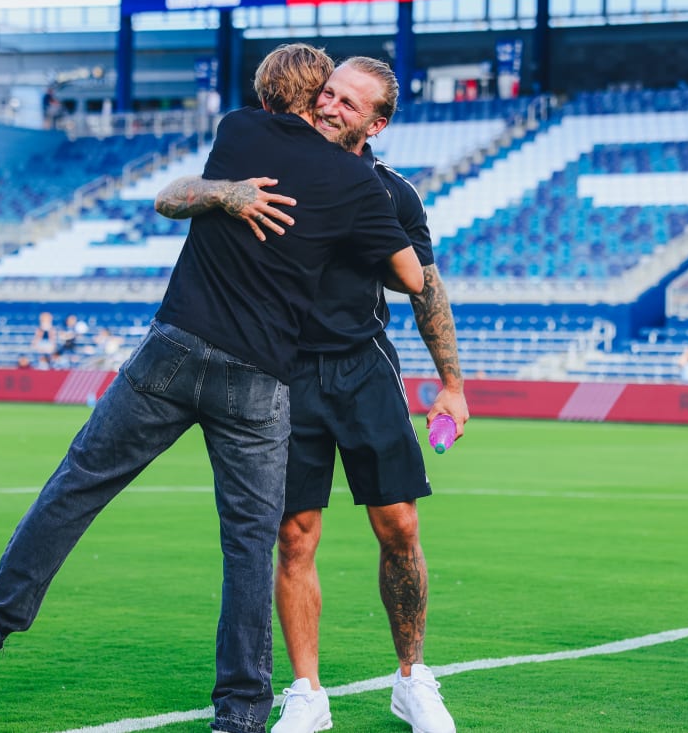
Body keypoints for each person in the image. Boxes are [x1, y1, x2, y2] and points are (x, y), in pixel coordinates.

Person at [0, 43, 424, 733]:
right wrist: (341, 235)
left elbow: (175, 197)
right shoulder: (356, 188)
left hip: (173, 349)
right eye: (332, 95)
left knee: (80, 481)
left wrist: (232, 197)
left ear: (265, 97)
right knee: (251, 544)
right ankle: (242, 711)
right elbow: (411, 278)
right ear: (318, 97)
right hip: (259, 381)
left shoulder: (238, 131)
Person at [156, 55, 468, 733]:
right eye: (328, 93)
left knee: (401, 527)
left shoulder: (393, 194)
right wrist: (223, 193)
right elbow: (178, 197)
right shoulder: (266, 165)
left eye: (350, 104)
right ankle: (306, 691)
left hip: (363, 369)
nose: (330, 107)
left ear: (378, 124)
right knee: (294, 538)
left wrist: (451, 385)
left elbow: (426, 289)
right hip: (280, 373)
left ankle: (412, 678)